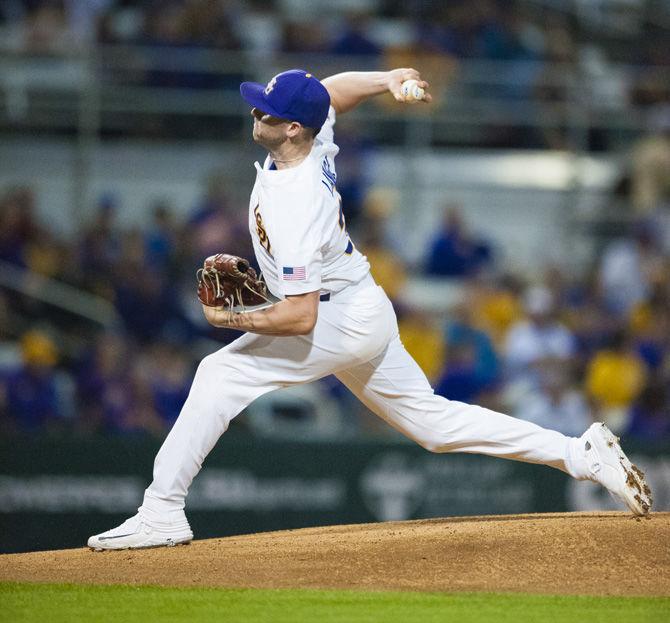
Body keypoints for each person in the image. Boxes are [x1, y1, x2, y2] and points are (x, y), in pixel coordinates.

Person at [88, 68, 652, 550]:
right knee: (431, 423)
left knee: (219, 371)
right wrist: (388, 78)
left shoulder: (297, 201)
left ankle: (162, 508)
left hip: (335, 317)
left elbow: (300, 319)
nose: (254, 112)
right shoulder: (311, 138)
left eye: (266, 110)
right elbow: (332, 89)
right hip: (360, 303)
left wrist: (228, 320)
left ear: (290, 129)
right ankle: (581, 454)